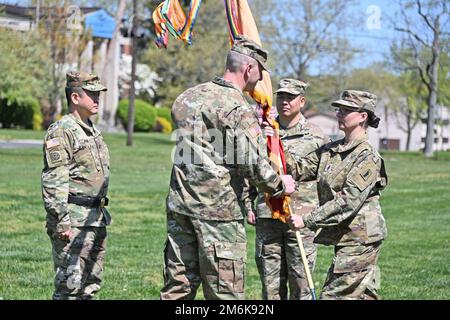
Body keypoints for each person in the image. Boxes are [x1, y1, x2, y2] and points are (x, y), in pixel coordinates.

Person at [160, 35, 295, 300]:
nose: (260, 80)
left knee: (177, 289)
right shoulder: (236, 107)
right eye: (260, 73)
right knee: (225, 295)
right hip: (218, 212)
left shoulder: (186, 97)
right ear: (248, 69)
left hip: (181, 205)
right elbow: (250, 161)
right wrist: (279, 185)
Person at [285, 90, 388, 300]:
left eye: (347, 110)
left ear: (363, 116)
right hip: (344, 236)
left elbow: (348, 201)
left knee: (334, 296)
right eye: (339, 109)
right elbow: (297, 168)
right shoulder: (330, 150)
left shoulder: (367, 157)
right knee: (362, 296)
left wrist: (307, 220)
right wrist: (271, 142)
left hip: (361, 239)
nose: (340, 113)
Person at [245, 79, 329, 300]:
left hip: (300, 217)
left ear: (302, 101)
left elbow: (322, 176)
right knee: (270, 286)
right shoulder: (263, 131)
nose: (284, 102)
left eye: (290, 97)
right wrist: (248, 203)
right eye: (281, 96)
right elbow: (252, 168)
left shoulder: (316, 136)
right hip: (268, 214)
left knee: (301, 283)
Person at [41, 71, 110, 300]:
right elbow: (54, 180)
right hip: (73, 219)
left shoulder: (91, 130)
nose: (97, 99)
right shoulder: (61, 130)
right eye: (91, 94)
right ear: (75, 98)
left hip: (95, 218)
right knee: (69, 287)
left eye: (98, 94)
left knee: (90, 286)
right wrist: (61, 220)